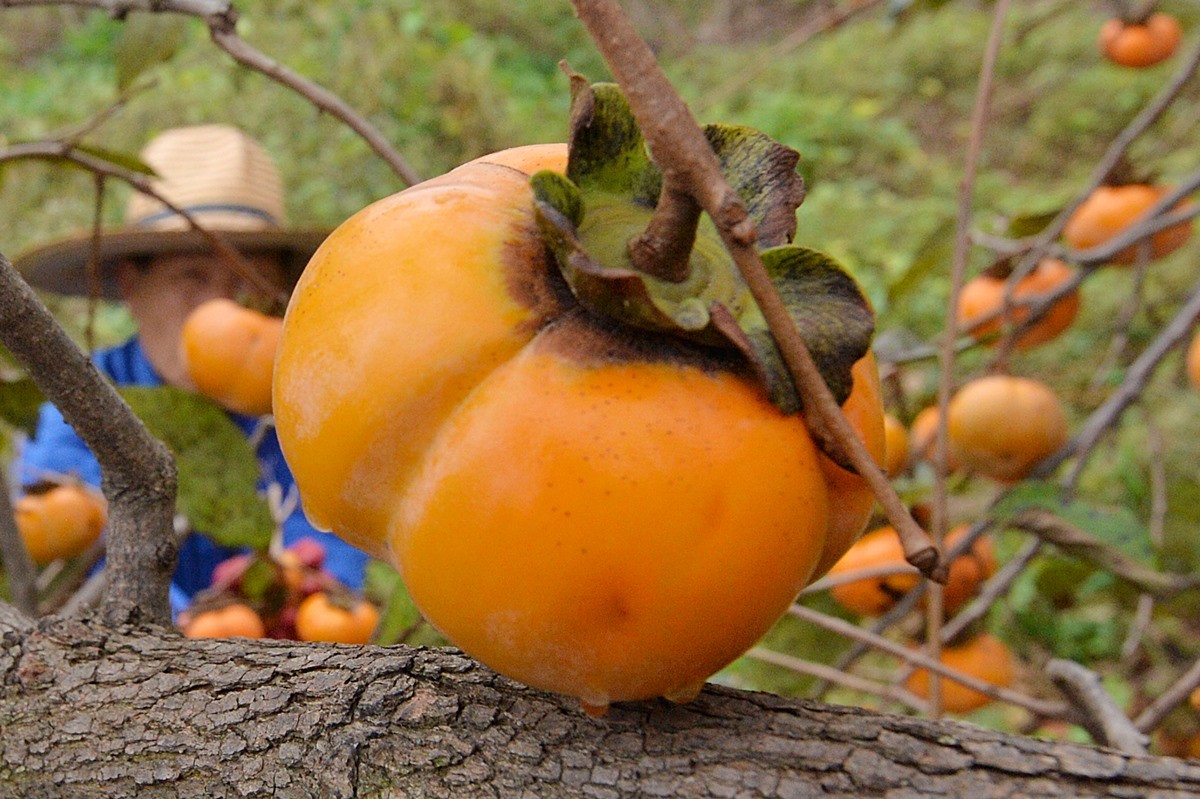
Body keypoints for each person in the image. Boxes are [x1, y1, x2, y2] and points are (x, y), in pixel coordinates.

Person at [12, 124, 370, 617]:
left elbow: (328, 582)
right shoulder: (77, 407)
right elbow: (77, 560)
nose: (218, 309)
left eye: (245, 285)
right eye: (191, 277)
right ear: (131, 283)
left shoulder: (309, 418)